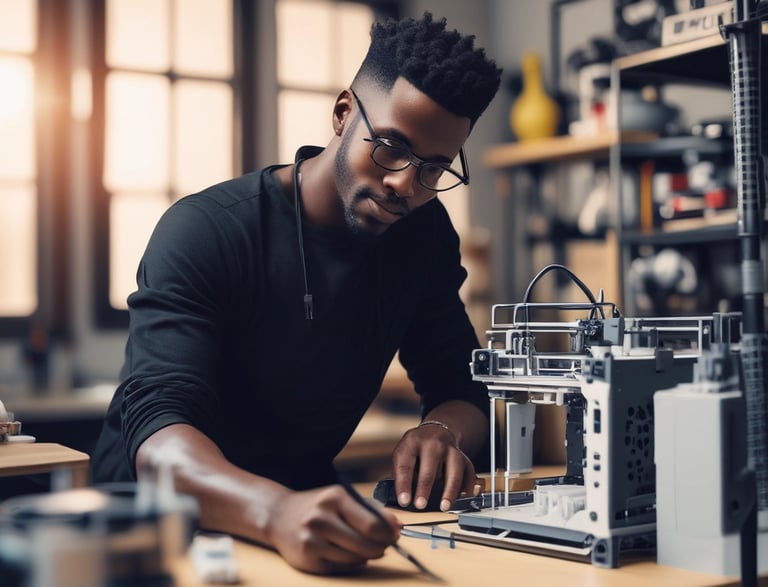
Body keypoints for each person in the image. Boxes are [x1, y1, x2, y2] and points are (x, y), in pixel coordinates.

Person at [91, 11, 502, 575]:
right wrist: (276, 511)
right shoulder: (206, 231)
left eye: (434, 169)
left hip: (298, 515)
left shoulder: (422, 237)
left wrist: (442, 432)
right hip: (147, 525)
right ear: (341, 115)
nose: (405, 184)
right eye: (390, 146)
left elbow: (461, 388)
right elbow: (160, 441)